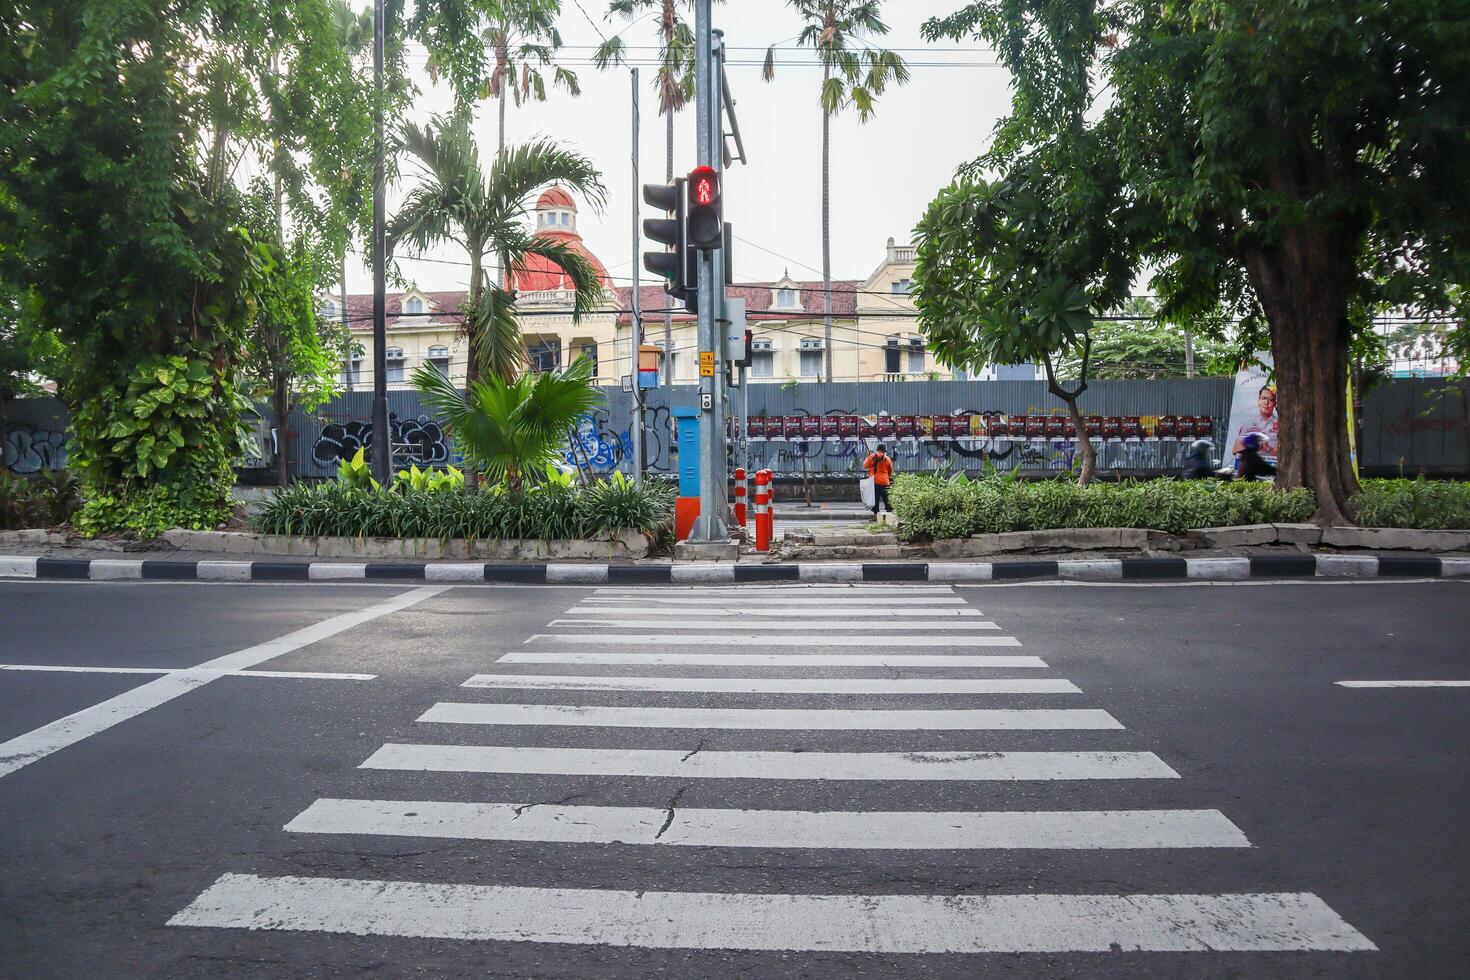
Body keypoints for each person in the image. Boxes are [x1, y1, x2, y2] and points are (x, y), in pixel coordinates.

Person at [1232, 384, 1279, 456]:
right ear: (1258, 401)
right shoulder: (1248, 424)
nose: (1266, 403)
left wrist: (1269, 449)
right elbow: (1235, 449)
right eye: (1264, 398)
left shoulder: (1280, 425)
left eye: (1271, 400)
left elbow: (1287, 452)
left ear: (1275, 403)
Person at [863, 443, 894, 517]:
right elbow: (890, 471)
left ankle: (876, 516)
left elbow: (865, 466)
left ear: (877, 449)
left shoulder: (872, 457)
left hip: (875, 481)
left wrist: (867, 458)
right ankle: (889, 515)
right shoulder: (887, 459)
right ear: (884, 451)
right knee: (887, 500)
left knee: (875, 500)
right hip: (885, 482)